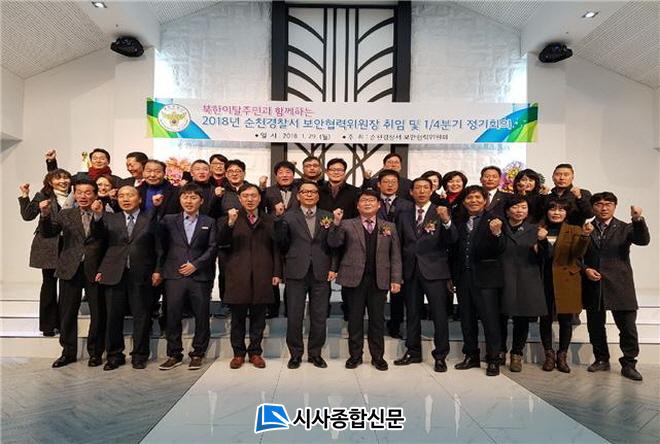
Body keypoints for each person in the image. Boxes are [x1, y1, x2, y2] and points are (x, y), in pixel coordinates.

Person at [328, 189, 402, 371]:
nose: (367, 203)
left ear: (379, 205)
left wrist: (396, 279)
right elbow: (334, 243)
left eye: (371, 200)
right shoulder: (347, 224)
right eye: (364, 200)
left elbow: (395, 255)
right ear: (357, 205)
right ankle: (355, 356)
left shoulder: (389, 226)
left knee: (377, 320)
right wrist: (336, 223)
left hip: (379, 279)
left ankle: (378, 357)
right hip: (353, 279)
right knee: (354, 319)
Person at [38, 178, 107, 368]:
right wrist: (45, 215)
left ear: (95, 194)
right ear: (74, 194)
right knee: (67, 313)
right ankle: (68, 352)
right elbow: (49, 233)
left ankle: (95, 353)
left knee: (98, 313)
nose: (83, 196)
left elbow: (105, 238)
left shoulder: (105, 214)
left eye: (88, 192)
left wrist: (98, 216)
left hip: (95, 270)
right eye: (79, 192)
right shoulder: (66, 213)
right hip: (69, 268)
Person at [583, 192, 650, 381]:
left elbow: (643, 240)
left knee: (627, 327)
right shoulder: (585, 227)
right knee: (595, 326)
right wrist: (585, 269)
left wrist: (637, 219)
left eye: (608, 204)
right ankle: (601, 359)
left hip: (620, 283)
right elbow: (577, 254)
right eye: (599, 204)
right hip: (594, 283)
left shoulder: (625, 227)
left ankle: (629, 363)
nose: (604, 208)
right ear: (593, 207)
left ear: (615, 206)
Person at [394, 177, 457, 372]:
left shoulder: (440, 211)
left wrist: (446, 221)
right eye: (418, 188)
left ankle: (440, 355)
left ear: (432, 191)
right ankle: (413, 352)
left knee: (439, 314)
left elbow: (452, 239)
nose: (421, 191)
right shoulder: (403, 213)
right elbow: (399, 243)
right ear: (411, 192)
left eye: (425, 188)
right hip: (410, 270)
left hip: (435, 270)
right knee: (412, 313)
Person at [94, 186, 161, 370]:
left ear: (139, 199)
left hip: (142, 274)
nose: (125, 199)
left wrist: (158, 270)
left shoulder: (150, 218)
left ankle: (139, 355)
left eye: (130, 195)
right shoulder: (110, 218)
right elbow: (99, 243)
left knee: (142, 316)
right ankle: (114, 355)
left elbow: (159, 248)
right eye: (121, 196)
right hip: (114, 273)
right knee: (113, 317)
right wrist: (98, 216)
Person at [218, 184, 282, 369]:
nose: (250, 199)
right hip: (237, 275)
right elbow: (221, 243)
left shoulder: (269, 220)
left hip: (263, 274)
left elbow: (276, 248)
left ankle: (255, 352)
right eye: (245, 196)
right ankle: (238, 353)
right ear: (239, 199)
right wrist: (230, 224)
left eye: (254, 195)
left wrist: (277, 272)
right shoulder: (229, 219)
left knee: (259, 318)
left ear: (260, 198)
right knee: (237, 319)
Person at [275, 181, 337, 369]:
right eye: (305, 192)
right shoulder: (288, 216)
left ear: (318, 195)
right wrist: (278, 220)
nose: (309, 195)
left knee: (319, 315)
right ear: (298, 196)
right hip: (296, 270)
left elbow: (334, 246)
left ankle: (315, 353)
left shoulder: (328, 216)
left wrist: (333, 267)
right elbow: (281, 244)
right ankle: (295, 354)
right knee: (294, 315)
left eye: (312, 192)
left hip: (321, 271)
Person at [157, 183, 217, 370]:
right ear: (180, 199)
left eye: (193, 197)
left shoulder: (209, 222)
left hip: (200, 276)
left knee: (202, 315)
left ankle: (198, 353)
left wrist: (196, 264)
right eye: (185, 197)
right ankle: (174, 354)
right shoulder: (169, 220)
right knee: (172, 315)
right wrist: (157, 208)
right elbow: (157, 240)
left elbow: (213, 247)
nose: (189, 201)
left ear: (201, 201)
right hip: (174, 275)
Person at [451, 185, 506, 376]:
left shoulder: (495, 220)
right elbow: (454, 252)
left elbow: (502, 248)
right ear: (464, 201)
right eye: (469, 198)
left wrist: (497, 233)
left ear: (485, 200)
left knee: (490, 320)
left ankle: (493, 359)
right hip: (464, 278)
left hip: (486, 279)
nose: (473, 201)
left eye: (477, 197)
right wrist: (453, 277)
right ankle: (471, 355)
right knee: (467, 319)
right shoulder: (460, 221)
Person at [538, 198, 592, 373]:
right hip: (543, 279)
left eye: (561, 210)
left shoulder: (575, 229)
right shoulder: (539, 229)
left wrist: (585, 236)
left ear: (566, 213)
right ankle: (549, 355)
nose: (556, 213)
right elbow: (540, 255)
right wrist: (541, 240)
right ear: (547, 211)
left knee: (566, 320)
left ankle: (562, 355)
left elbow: (578, 253)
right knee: (545, 318)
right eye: (553, 209)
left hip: (567, 278)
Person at [18, 169, 72, 336]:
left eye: (66, 178)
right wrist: (25, 196)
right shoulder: (42, 196)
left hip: (70, 244)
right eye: (58, 178)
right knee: (49, 284)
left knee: (67, 286)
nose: (63, 181)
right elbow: (27, 215)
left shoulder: (75, 195)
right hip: (48, 244)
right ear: (50, 182)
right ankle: (48, 325)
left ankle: (64, 324)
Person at [498, 195, 547, 372]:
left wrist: (542, 241)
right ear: (507, 211)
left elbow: (546, 256)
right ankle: (499, 351)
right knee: (500, 317)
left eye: (523, 207)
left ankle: (517, 354)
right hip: (502, 277)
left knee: (522, 318)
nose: (519, 211)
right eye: (515, 207)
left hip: (527, 278)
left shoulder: (535, 230)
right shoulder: (498, 227)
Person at [375, 169, 414, 338]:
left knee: (398, 292)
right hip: (377, 252)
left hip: (401, 253)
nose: (389, 185)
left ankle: (395, 326)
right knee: (377, 292)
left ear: (398, 185)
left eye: (393, 182)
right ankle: (376, 325)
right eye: (386, 181)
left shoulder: (407, 205)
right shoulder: (372, 202)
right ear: (379, 184)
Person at [263, 160, 300, 318]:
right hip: (273, 236)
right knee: (272, 272)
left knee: (292, 274)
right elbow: (261, 212)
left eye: (288, 172)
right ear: (275, 175)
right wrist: (276, 216)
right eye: (281, 172)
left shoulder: (301, 190)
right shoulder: (268, 191)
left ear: (293, 174)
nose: (284, 175)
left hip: (295, 237)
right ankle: (272, 309)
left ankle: (290, 310)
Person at [46, 148, 121, 185]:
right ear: (90, 161)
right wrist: (51, 161)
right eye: (95, 158)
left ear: (108, 161)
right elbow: (58, 179)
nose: (98, 161)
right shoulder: (80, 177)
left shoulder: (116, 180)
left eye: (102, 158)